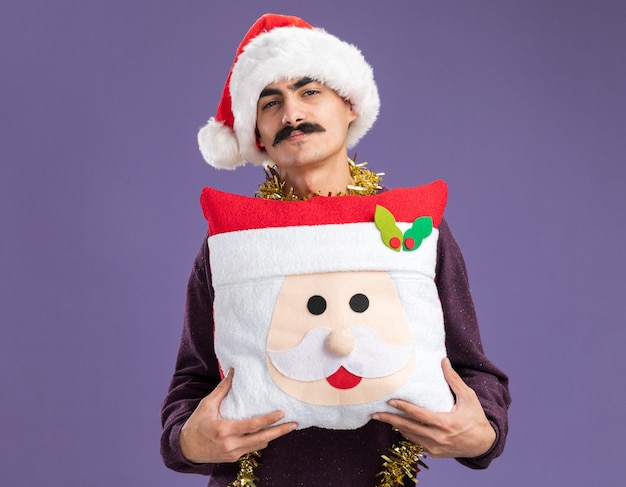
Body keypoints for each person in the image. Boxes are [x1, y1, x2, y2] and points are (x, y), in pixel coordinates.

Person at [161, 13, 510, 486]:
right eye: (270, 103)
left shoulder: (411, 229)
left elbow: (471, 368)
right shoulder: (233, 242)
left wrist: (482, 434)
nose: (292, 115)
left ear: (349, 105)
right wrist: (186, 442)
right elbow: (193, 382)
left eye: (309, 92)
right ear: (257, 135)